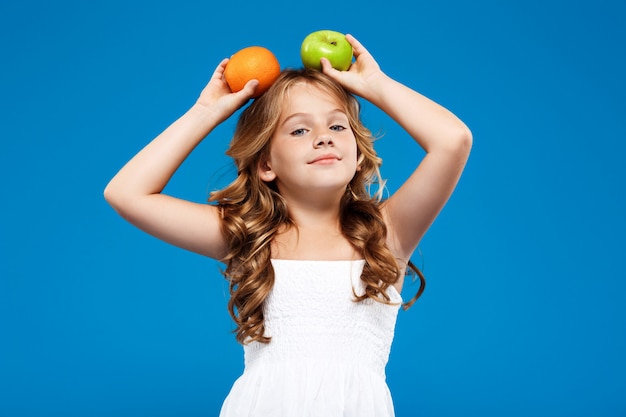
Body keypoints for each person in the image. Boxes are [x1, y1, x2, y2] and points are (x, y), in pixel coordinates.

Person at [104, 34, 471, 417]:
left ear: (359, 155)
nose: (323, 138)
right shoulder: (248, 236)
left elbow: (453, 140)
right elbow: (127, 193)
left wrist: (375, 85)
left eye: (338, 127)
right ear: (266, 165)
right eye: (299, 130)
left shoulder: (388, 232)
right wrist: (206, 111)